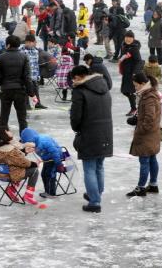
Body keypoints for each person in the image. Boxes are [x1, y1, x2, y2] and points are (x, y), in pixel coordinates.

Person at [69, 65, 113, 213]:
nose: (73, 82)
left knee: (89, 168)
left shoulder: (80, 91)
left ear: (79, 76)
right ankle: (96, 194)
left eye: (74, 78)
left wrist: (76, 128)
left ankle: (94, 202)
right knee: (99, 165)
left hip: (89, 132)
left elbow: (76, 117)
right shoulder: (104, 86)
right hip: (105, 132)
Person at [0, 127, 46, 208]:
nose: (10, 131)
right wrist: (33, 164)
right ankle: (28, 195)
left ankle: (11, 189)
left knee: (21, 169)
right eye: (7, 131)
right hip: (10, 174)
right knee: (34, 170)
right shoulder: (9, 150)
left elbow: (13, 159)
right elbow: (21, 162)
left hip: (1, 173)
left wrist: (24, 151)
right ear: (4, 135)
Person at [126, 72, 162, 197]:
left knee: (145, 160)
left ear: (142, 84)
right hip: (152, 133)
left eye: (136, 86)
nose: (135, 88)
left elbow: (150, 117)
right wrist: (137, 119)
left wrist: (140, 129)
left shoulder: (149, 97)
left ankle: (141, 188)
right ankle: (153, 185)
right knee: (152, 158)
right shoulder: (150, 94)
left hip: (147, 134)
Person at [0, 35, 33, 133]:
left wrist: (2, 83)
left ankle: (3, 138)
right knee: (22, 118)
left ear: (8, 45)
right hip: (20, 89)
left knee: (4, 117)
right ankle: (24, 139)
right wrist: (30, 91)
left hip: (6, 90)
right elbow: (27, 76)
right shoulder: (24, 56)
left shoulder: (1, 57)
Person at [20, 128, 63, 199]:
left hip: (55, 158)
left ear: (33, 139)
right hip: (47, 159)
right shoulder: (33, 143)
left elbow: (55, 152)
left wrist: (59, 164)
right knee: (43, 174)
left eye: (29, 142)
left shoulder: (44, 141)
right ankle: (47, 191)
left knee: (50, 175)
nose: (29, 145)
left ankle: (52, 193)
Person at [119, 30, 143, 116]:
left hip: (131, 73)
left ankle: (134, 108)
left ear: (133, 38)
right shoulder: (124, 45)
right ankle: (135, 106)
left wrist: (135, 73)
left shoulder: (134, 48)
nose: (128, 39)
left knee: (129, 91)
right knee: (125, 91)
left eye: (130, 37)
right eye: (127, 37)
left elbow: (139, 61)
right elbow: (123, 56)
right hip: (126, 72)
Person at [21, 35, 46, 109]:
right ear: (27, 42)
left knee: (35, 91)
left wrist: (38, 75)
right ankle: (26, 105)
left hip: (34, 75)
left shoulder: (35, 51)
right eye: (32, 42)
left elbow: (36, 64)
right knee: (26, 91)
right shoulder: (21, 51)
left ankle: (37, 103)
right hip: (25, 76)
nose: (34, 44)